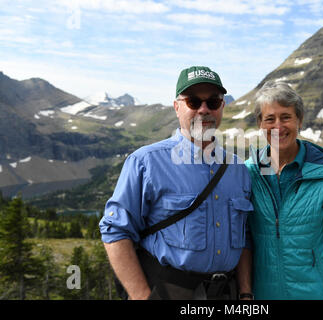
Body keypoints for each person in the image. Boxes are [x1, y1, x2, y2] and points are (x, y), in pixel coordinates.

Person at [99, 66, 254, 300]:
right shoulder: (145, 162)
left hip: (226, 294)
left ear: (222, 106)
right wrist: (142, 297)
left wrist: (245, 293)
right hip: (169, 292)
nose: (204, 109)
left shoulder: (239, 169)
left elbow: (245, 237)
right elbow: (115, 231)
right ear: (177, 107)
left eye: (213, 102)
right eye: (193, 101)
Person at [245, 80, 323, 300]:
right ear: (260, 123)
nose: (278, 127)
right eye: (270, 119)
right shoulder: (249, 173)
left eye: (286, 117)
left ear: (299, 120)